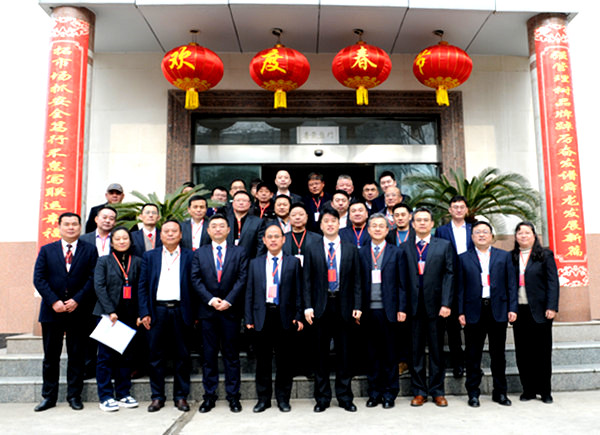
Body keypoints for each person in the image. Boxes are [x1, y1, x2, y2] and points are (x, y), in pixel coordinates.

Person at [33, 212, 99, 412]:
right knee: (50, 357)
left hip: (79, 311)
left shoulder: (90, 250)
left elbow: (93, 278)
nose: (71, 227)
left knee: (77, 356)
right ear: (59, 227)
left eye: (74, 224)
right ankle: (49, 397)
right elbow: (39, 278)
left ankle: (74, 396)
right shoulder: (47, 250)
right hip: (52, 311)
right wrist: (54, 301)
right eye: (67, 224)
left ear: (80, 227)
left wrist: (77, 299)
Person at [303, 207, 362, 413]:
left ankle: (345, 397)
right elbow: (306, 280)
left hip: (344, 306)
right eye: (326, 221)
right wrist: (308, 306)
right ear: (320, 225)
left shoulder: (350, 248)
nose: (330, 224)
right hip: (320, 307)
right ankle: (322, 398)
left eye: (333, 221)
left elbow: (357, 280)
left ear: (339, 224)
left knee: (344, 354)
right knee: (320, 355)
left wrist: (357, 305)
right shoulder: (311, 248)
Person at [457, 221, 518, 408]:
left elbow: (511, 284)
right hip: (473, 311)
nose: (481, 235)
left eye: (485, 232)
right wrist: (460, 311)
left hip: (497, 309)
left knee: (498, 354)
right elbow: (459, 288)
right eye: (477, 232)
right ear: (472, 237)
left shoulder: (504, 256)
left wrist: (512, 308)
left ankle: (500, 392)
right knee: (472, 355)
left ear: (491, 236)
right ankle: (473, 393)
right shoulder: (463, 258)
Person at [192, 214, 248, 413]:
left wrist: (228, 300)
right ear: (208, 231)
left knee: (231, 356)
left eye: (221, 226)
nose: (217, 229)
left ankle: (234, 396)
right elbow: (195, 279)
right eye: (214, 226)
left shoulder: (239, 252)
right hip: (207, 312)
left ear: (228, 229)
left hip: (230, 311)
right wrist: (211, 300)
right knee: (208, 356)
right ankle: (209, 396)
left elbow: (242, 278)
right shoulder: (200, 253)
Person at [245, 224, 304, 413]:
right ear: (264, 240)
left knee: (284, 361)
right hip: (262, 316)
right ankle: (263, 399)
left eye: (276, 236)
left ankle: (283, 399)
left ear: (283, 239)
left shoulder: (293, 262)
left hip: (285, 316)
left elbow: (299, 291)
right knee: (262, 361)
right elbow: (249, 293)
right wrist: (248, 318)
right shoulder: (255, 263)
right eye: (269, 237)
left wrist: (298, 315)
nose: (273, 240)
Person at [138, 220, 195, 413]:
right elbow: (142, 286)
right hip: (157, 311)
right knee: (155, 356)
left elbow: (195, 285)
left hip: (181, 310)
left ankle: (181, 396)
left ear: (181, 235)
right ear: (160, 235)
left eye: (174, 231)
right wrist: (144, 312)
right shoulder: (150, 256)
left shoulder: (190, 256)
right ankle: (157, 397)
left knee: (182, 356)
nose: (170, 234)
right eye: (166, 231)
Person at [401, 207, 453, 407]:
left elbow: (449, 275)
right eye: (418, 220)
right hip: (413, 307)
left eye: (426, 220)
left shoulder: (443, 245)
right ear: (413, 224)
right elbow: (402, 280)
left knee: (437, 351)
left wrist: (446, 303)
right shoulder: (405, 247)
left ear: (432, 224)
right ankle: (419, 391)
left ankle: (438, 391)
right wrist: (402, 307)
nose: (422, 223)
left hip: (436, 306)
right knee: (416, 352)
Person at [358, 213, 406, 409]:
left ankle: (389, 393)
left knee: (389, 354)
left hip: (389, 310)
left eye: (381, 226)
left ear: (387, 230)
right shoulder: (361, 252)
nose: (377, 229)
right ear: (368, 230)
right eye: (374, 226)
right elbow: (357, 284)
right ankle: (374, 393)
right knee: (372, 354)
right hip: (368, 310)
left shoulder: (397, 252)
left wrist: (401, 308)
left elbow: (402, 284)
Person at [510, 221, 559, 404]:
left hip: (541, 311)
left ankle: (545, 391)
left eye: (527, 232)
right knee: (523, 353)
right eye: (520, 233)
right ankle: (528, 390)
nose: (523, 236)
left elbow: (552, 282)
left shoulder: (545, 255)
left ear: (534, 235)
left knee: (542, 353)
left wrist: (551, 306)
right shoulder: (512, 256)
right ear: (516, 237)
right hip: (520, 311)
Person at [93, 227, 141, 412]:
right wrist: (110, 311)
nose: (122, 241)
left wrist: (140, 313)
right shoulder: (103, 261)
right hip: (108, 316)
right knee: (105, 357)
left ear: (130, 241)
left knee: (126, 356)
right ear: (112, 242)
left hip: (129, 315)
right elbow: (99, 287)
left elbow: (141, 288)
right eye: (118, 238)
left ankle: (123, 393)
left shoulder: (137, 261)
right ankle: (105, 396)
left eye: (125, 238)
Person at [434, 195, 473, 378]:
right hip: (448, 280)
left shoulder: (473, 229)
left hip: (469, 279)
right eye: (455, 207)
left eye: (461, 207)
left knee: (466, 324)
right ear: (449, 210)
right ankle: (451, 363)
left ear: (466, 210)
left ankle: (466, 363)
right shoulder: (441, 231)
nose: (458, 210)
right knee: (449, 326)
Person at [226, 190, 266, 258]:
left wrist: (256, 262)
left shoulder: (258, 222)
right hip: (227, 259)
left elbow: (261, 245)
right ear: (233, 203)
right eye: (238, 200)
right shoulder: (225, 220)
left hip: (249, 260)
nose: (241, 203)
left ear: (249, 204)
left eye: (244, 201)